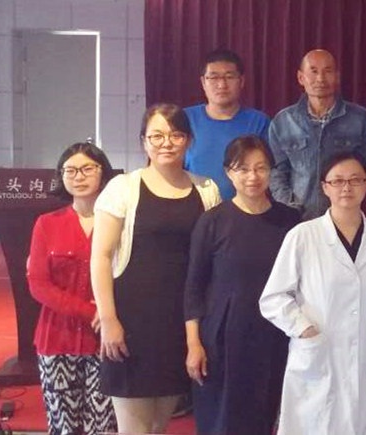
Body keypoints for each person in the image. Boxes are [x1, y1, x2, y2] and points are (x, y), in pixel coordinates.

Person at [90, 104, 223, 433]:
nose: (167, 143)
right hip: (131, 323)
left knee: (158, 427)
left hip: (179, 324)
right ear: (143, 141)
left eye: (176, 135)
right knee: (134, 429)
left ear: (188, 140)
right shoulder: (123, 188)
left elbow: (210, 261)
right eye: (157, 136)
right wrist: (109, 319)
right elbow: (101, 257)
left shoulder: (206, 189)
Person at [259, 152, 366, 434]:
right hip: (317, 351)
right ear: (325, 187)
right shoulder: (302, 236)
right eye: (337, 181)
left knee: (363, 421)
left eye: (355, 180)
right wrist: (303, 328)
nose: (346, 188)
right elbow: (273, 297)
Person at [183, 136, 301, 434]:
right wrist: (194, 344)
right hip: (221, 337)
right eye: (243, 169)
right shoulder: (212, 221)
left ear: (271, 170)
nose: (252, 176)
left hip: (273, 337)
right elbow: (194, 287)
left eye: (260, 168)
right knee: (220, 420)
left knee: (264, 415)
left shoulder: (290, 222)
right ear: (228, 172)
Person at [27, 142, 117, 434]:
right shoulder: (47, 224)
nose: (79, 176)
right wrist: (92, 312)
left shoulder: (120, 222)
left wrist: (109, 316)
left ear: (103, 173)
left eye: (88, 168)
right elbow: (38, 284)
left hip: (106, 341)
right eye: (70, 170)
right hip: (57, 339)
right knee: (63, 426)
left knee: (103, 425)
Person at [269, 49, 366, 220]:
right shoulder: (283, 121)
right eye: (313, 71)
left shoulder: (361, 119)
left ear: (337, 77)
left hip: (345, 216)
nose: (320, 78)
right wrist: (289, 207)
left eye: (328, 71)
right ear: (300, 77)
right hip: (297, 219)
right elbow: (276, 173)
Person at [184, 49, 272, 200]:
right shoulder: (185, 119)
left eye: (229, 77)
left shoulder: (259, 122)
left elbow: (270, 172)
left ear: (242, 81)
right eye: (213, 77)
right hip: (194, 208)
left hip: (246, 209)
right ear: (203, 82)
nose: (221, 85)